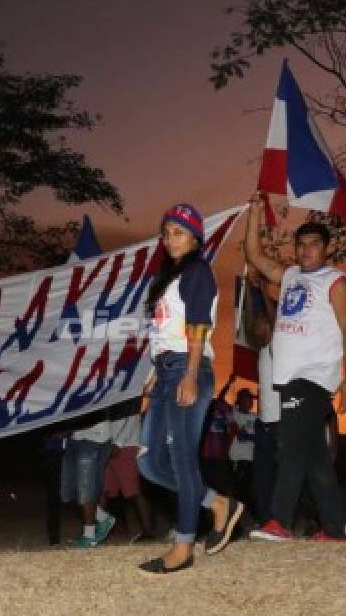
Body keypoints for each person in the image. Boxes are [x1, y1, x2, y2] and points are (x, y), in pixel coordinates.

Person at [136, 203, 244, 573]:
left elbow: (198, 326)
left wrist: (191, 373)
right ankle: (217, 504)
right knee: (150, 462)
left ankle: (182, 547)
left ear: (196, 237)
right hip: (166, 370)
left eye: (178, 232)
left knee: (183, 460)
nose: (170, 239)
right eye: (166, 233)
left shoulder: (198, 271)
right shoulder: (168, 278)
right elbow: (163, 333)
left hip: (188, 366)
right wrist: (153, 375)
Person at [245, 193, 346, 543]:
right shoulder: (291, 274)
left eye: (313, 244)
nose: (306, 250)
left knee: (289, 448)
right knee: (314, 459)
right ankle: (335, 530)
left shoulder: (336, 282)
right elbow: (255, 256)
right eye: (301, 244)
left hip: (313, 376)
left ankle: (278, 520)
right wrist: (253, 215)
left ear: (325, 249)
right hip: (286, 378)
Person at [241, 269, 279, 524]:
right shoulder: (261, 350)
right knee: (261, 478)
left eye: (261, 321)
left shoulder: (280, 345)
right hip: (264, 422)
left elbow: (275, 320)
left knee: (288, 474)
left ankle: (311, 518)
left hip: (283, 421)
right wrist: (246, 290)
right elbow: (246, 321)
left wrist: (264, 292)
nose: (256, 324)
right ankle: (268, 521)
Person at [102, 398, 155, 541]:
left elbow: (132, 419)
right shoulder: (113, 391)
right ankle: (101, 530)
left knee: (133, 491)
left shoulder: (130, 392)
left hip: (127, 446)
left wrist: (118, 443)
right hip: (110, 446)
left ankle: (148, 532)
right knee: (104, 491)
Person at [62, 412, 115, 549]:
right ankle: (104, 518)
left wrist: (118, 441)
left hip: (95, 437)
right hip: (73, 436)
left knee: (86, 488)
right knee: (68, 491)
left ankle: (89, 535)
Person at [200, 376, 237, 496]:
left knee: (217, 484)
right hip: (203, 453)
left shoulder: (224, 407)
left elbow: (233, 427)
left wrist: (227, 447)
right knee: (204, 483)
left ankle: (219, 507)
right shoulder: (202, 406)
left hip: (218, 452)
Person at [229, 388, 257, 510]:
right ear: (240, 400)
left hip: (252, 461)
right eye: (247, 398)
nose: (250, 401)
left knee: (249, 494)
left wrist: (250, 437)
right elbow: (232, 426)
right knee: (237, 494)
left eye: (251, 399)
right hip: (237, 461)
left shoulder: (256, 418)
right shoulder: (234, 413)